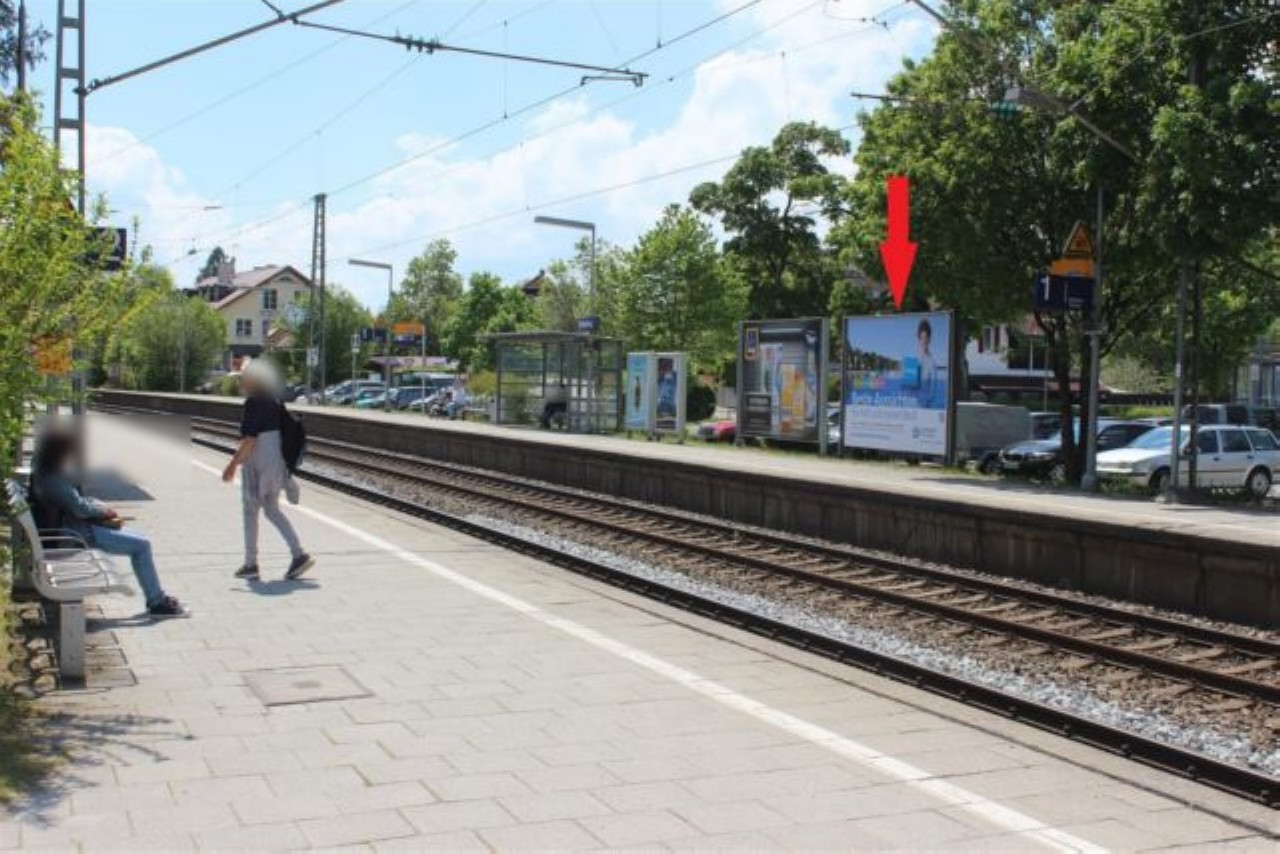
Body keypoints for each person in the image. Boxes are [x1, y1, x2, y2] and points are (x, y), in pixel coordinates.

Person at [29, 428, 188, 618]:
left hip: (72, 530)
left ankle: (157, 598)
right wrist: (104, 510)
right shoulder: (53, 480)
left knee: (140, 539)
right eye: (68, 452)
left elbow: (76, 501)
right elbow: (79, 508)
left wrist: (98, 506)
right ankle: (157, 602)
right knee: (142, 546)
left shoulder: (43, 472)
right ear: (58, 453)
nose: (69, 456)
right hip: (74, 536)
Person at [223, 359, 314, 581]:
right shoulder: (274, 401)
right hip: (273, 462)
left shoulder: (254, 403)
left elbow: (250, 440)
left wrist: (232, 465)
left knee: (250, 510)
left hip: (258, 464)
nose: (241, 382)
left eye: (243, 378)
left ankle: (252, 564)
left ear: (255, 380)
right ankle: (297, 555)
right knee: (271, 510)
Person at [915, 318, 940, 409]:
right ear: (918, 339)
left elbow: (932, 392)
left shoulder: (932, 363)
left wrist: (926, 403)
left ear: (930, 339)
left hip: (925, 406)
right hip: (914, 405)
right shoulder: (914, 360)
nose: (924, 341)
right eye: (922, 338)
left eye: (926, 338)